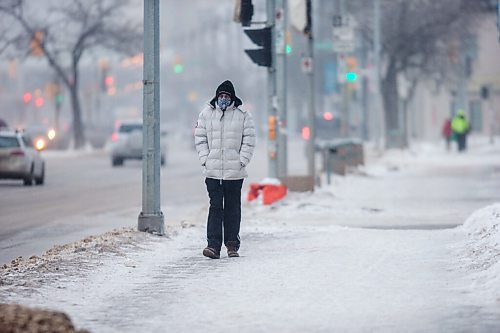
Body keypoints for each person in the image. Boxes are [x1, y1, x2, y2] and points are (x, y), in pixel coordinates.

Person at [194, 80, 256, 259]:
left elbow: (249, 139)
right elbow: (200, 138)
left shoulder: (243, 115)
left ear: (232, 98)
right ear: (216, 97)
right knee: (215, 207)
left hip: (234, 172)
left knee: (232, 208)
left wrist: (242, 160)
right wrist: (205, 159)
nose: (223, 99)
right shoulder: (206, 114)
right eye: (220, 95)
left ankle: (232, 244)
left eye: (226, 96)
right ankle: (213, 245)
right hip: (213, 171)